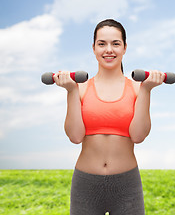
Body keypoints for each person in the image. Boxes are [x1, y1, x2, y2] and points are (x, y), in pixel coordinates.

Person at [53, 19, 165, 215]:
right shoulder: (80, 88)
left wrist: (147, 89)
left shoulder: (138, 88)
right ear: (94, 48)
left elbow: (138, 136)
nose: (109, 50)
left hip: (126, 185)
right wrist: (70, 91)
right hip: (86, 184)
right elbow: (75, 136)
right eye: (102, 44)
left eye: (115, 43)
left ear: (124, 47)